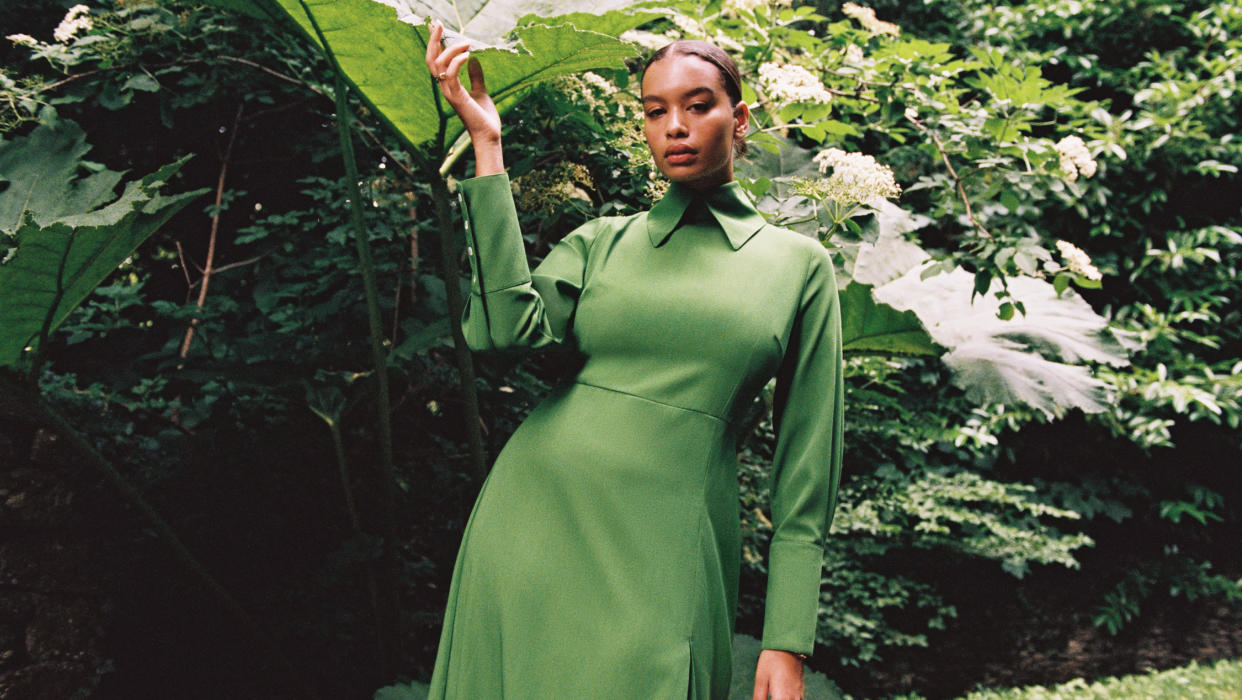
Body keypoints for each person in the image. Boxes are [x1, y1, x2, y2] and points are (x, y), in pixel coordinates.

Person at [424, 20, 843, 700]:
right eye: (655, 112)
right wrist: (487, 145)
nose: (675, 126)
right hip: (532, 524)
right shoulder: (601, 244)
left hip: (669, 554)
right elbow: (501, 332)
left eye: (697, 104)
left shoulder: (799, 267)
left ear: (739, 119)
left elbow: (807, 469)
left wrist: (786, 638)